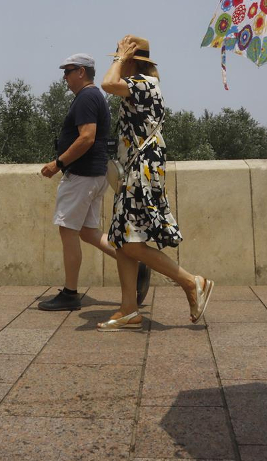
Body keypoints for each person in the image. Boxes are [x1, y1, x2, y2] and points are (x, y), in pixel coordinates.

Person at [96, 35, 214, 331]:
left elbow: (107, 84)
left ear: (133, 61)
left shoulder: (143, 85)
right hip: (137, 167)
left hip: (142, 169)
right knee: (123, 240)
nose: (118, 63)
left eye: (123, 58)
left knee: (132, 243)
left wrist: (119, 58)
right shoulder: (142, 87)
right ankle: (129, 310)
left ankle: (192, 282)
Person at [37, 54, 150, 311]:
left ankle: (70, 293)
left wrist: (58, 164)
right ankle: (137, 264)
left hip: (82, 176)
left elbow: (86, 137)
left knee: (67, 230)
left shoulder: (87, 97)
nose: (63, 77)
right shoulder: (93, 96)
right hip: (95, 174)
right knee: (88, 232)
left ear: (81, 72)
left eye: (67, 71)